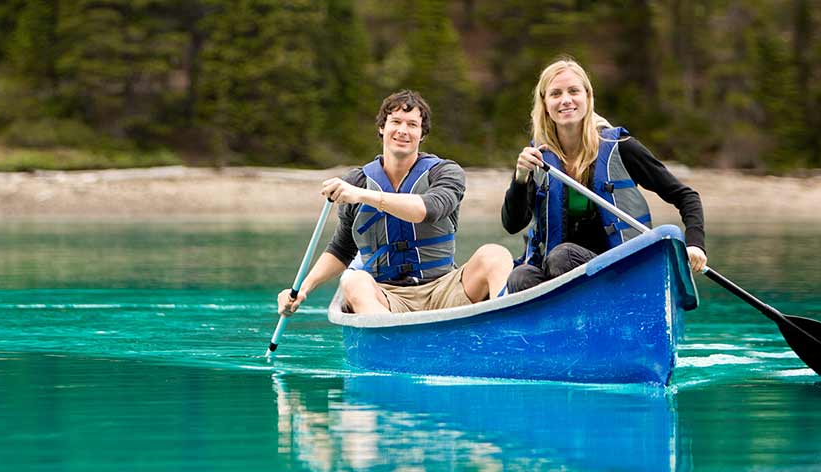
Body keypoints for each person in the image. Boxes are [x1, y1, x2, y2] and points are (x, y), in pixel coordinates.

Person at [277, 90, 514, 316]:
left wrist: (362, 195)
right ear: (382, 128)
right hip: (388, 296)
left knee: (495, 255)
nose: (403, 130)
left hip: (443, 288)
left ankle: (504, 330)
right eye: (396, 122)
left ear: (422, 134)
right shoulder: (358, 181)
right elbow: (342, 248)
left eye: (412, 125)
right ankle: (392, 338)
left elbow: (428, 209)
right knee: (353, 280)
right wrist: (302, 290)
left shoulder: (446, 172)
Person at [502, 57, 707, 294]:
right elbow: (512, 224)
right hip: (557, 271)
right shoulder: (537, 159)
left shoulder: (620, 146)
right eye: (556, 94)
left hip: (619, 269)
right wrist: (520, 177)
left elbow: (686, 196)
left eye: (573, 91)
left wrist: (695, 245)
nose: (566, 100)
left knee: (562, 256)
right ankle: (557, 326)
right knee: (520, 276)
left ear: (588, 97)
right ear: (545, 104)